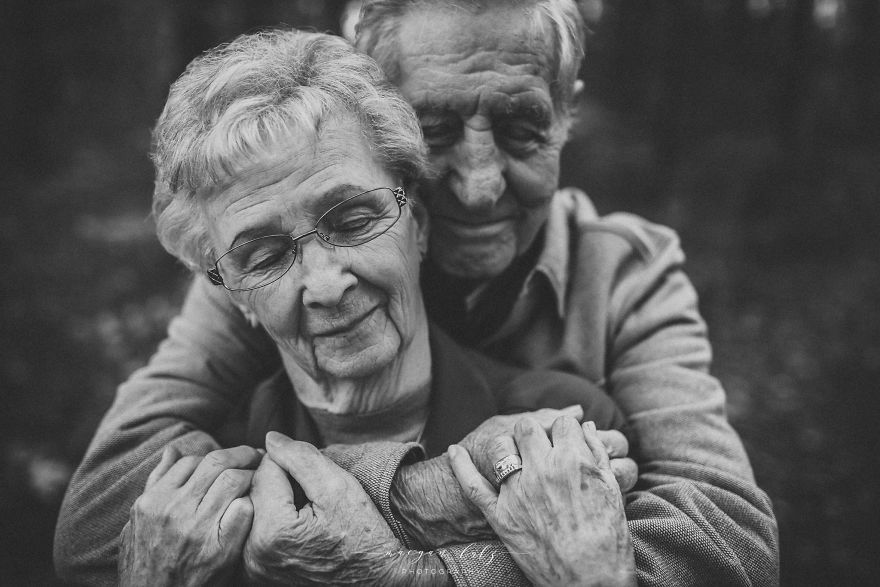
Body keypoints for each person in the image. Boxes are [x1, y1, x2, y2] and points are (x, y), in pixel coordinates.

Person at [56, 0, 780, 585]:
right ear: (384, 121)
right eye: (435, 128)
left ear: (566, 113)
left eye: (523, 127)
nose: (480, 183)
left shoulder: (626, 274)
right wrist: (431, 493)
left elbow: (724, 543)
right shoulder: (264, 255)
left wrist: (404, 572)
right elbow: (98, 521)